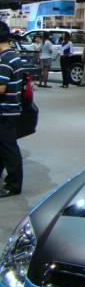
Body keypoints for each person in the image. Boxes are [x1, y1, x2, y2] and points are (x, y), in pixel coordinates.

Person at [0, 21, 23, 198]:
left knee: (8, 149)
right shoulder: (13, 56)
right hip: (10, 108)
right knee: (3, 147)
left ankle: (13, 185)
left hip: (4, 110)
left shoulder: (4, 60)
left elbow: (1, 88)